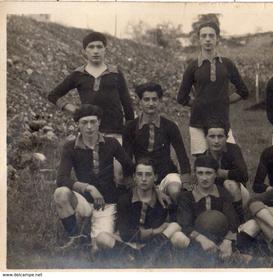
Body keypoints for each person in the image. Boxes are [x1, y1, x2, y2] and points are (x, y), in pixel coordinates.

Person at [48, 31, 134, 185]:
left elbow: (127, 103)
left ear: (105, 50)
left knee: (119, 174)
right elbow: (53, 95)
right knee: (93, 175)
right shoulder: (78, 74)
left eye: (99, 47)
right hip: (90, 132)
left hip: (115, 130)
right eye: (91, 47)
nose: (95, 51)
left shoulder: (115, 73)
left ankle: (119, 206)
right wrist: (71, 109)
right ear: (84, 51)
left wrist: (130, 129)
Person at [52, 104, 134, 256]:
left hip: (107, 203)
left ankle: (126, 250)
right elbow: (61, 178)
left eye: (93, 122)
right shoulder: (70, 147)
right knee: (60, 193)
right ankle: (76, 239)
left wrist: (122, 180)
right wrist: (89, 188)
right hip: (84, 200)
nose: (89, 127)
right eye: (84, 122)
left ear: (99, 122)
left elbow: (130, 166)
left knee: (98, 249)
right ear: (78, 124)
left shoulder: (111, 143)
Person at [92, 159, 188, 263]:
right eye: (139, 174)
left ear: (155, 177)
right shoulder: (125, 199)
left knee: (179, 235)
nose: (143, 179)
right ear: (134, 177)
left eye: (148, 175)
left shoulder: (163, 200)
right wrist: (157, 230)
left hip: (153, 242)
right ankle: (142, 257)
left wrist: (165, 230)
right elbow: (125, 234)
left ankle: (134, 258)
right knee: (102, 237)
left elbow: (176, 224)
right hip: (130, 243)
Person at [177, 21, 249, 156]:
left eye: (211, 35)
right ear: (199, 40)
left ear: (217, 39)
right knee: (202, 161)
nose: (208, 39)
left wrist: (224, 100)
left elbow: (243, 91)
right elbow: (181, 98)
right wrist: (200, 102)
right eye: (203, 36)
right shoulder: (192, 66)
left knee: (229, 157)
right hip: (198, 121)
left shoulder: (227, 64)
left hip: (221, 120)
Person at [123, 82, 191, 203]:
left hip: (166, 174)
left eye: (154, 99)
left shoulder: (169, 126)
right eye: (146, 99)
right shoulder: (131, 127)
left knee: (175, 191)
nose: (151, 103)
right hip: (142, 176)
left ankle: (175, 218)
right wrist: (129, 181)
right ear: (140, 102)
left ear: (159, 101)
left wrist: (186, 182)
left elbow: (182, 155)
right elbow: (126, 157)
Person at [174, 155, 240, 261]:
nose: (204, 178)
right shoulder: (186, 197)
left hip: (220, 236)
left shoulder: (223, 194)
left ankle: (228, 253)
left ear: (216, 174)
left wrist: (227, 241)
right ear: (195, 174)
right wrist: (202, 239)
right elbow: (185, 225)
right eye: (200, 173)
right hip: (196, 237)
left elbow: (233, 221)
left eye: (208, 173)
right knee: (178, 237)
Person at [198, 119, 250, 222]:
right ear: (206, 138)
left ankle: (241, 221)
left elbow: (244, 175)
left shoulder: (233, 150)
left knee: (229, 183)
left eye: (220, 136)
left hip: (238, 193)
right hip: (218, 194)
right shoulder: (204, 156)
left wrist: (220, 173)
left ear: (226, 137)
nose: (216, 141)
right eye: (212, 137)